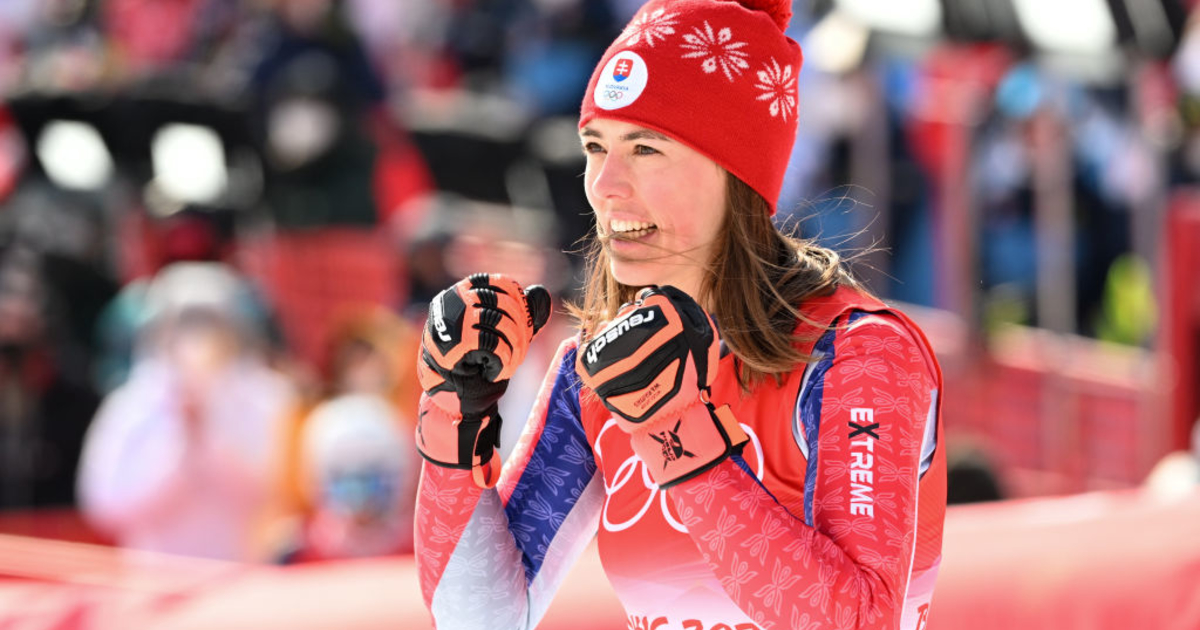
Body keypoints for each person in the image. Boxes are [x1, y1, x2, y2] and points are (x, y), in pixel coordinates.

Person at [413, 0, 946, 628]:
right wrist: (453, 421)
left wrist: (681, 438)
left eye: (645, 149)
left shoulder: (860, 354)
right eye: (594, 146)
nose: (604, 184)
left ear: (734, 171)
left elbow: (864, 620)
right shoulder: (595, 369)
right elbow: (479, 620)